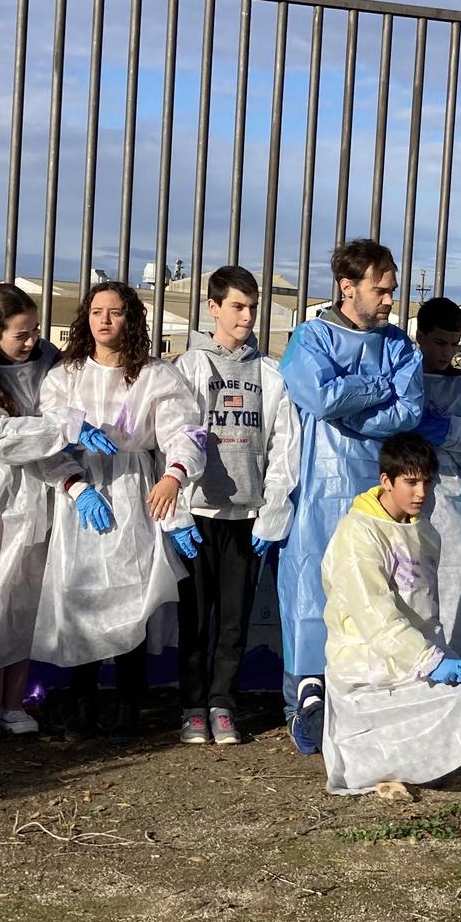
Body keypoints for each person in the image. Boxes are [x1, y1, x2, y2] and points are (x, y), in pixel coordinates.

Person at [33, 280, 205, 741]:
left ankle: (130, 706)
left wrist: (174, 475)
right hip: (82, 495)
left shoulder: (155, 375)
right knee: (83, 597)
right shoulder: (65, 375)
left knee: (132, 599)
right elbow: (45, 437)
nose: (105, 320)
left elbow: (183, 429)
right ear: (85, 318)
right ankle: (84, 704)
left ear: (132, 319)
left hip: (133, 489)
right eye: (96, 312)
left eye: (115, 312)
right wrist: (72, 483)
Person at [0, 282, 100, 741]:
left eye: (34, 331)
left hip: (38, 497)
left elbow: (46, 436)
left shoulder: (45, 363)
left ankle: (10, 700)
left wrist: (72, 480)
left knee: (25, 602)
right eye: (20, 334)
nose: (31, 341)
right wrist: (65, 429)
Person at [278, 239, 425, 752]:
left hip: (378, 488)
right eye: (380, 290)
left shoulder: (401, 346)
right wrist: (376, 387)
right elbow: (317, 396)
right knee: (312, 589)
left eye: (392, 290)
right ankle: (307, 702)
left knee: (382, 587)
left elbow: (409, 411)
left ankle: (371, 697)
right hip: (319, 487)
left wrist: (348, 398)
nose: (389, 300)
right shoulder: (310, 338)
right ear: (347, 288)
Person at [315, 431, 461, 795]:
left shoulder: (424, 531)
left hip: (412, 653)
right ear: (386, 481)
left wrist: (436, 653)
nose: (421, 493)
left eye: (427, 481)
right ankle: (317, 722)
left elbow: (426, 606)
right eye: (410, 482)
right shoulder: (358, 534)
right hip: (366, 658)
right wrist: (426, 660)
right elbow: (373, 614)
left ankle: (411, 765)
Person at [173, 266, 299, 747]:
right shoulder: (188, 369)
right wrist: (179, 512)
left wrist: (271, 512)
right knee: (195, 618)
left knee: (233, 619)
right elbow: (174, 439)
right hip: (199, 514)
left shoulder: (269, 373)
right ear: (213, 308)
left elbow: (283, 446)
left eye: (252, 307)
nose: (246, 317)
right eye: (236, 307)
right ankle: (191, 706)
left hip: (245, 517)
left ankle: (223, 703)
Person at [410, 296, 461, 663]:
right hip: (401, 496)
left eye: (454, 344)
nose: (447, 352)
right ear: (420, 336)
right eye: (439, 342)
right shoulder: (400, 382)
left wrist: (451, 432)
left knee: (458, 584)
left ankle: (458, 671)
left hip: (449, 497)